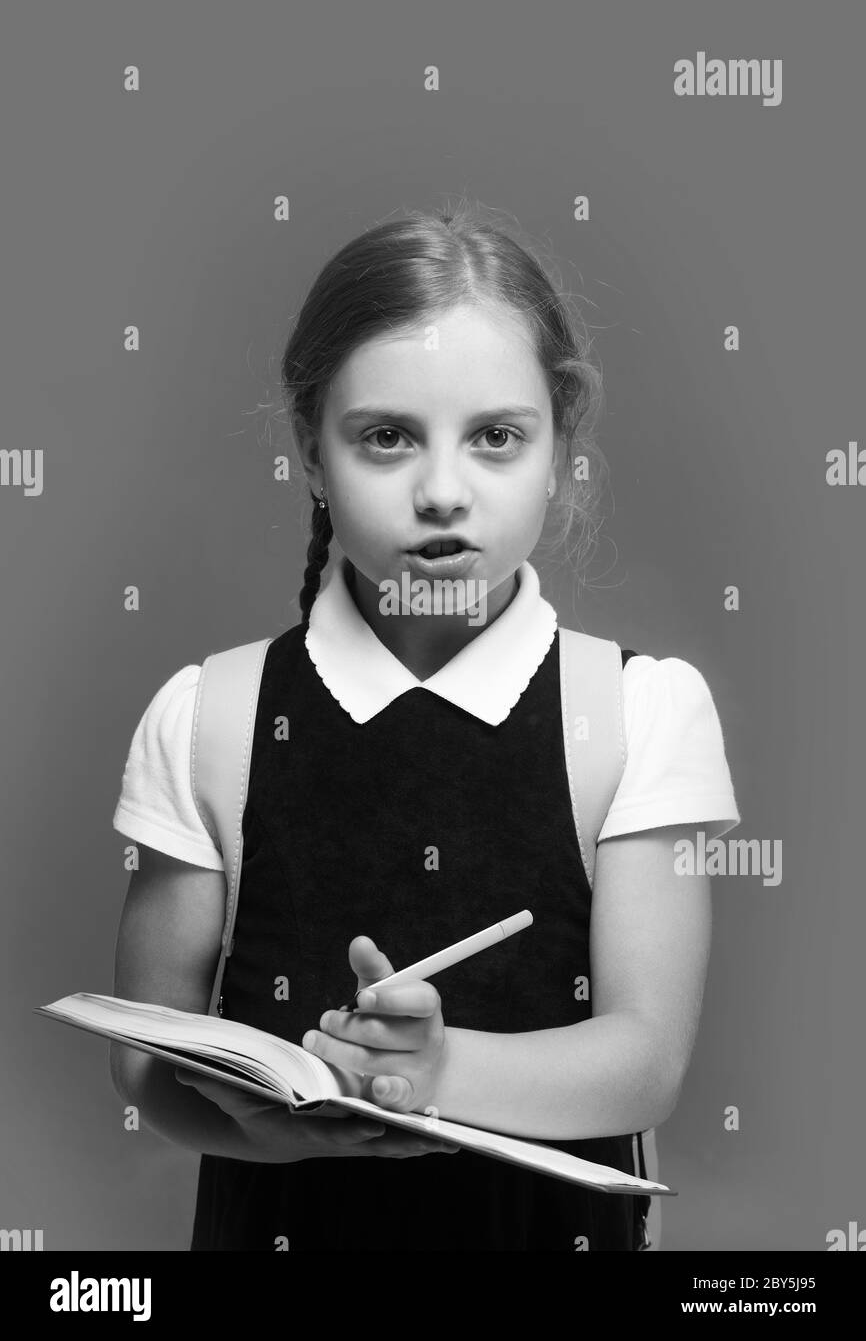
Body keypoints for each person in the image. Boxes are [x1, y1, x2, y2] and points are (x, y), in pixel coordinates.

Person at [109, 200, 740, 1251]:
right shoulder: (208, 715)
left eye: (495, 437)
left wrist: (431, 1072)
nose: (441, 492)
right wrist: (283, 1130)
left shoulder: (636, 711)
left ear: (559, 445)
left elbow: (646, 1059)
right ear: (311, 452)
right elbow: (145, 1056)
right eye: (386, 438)